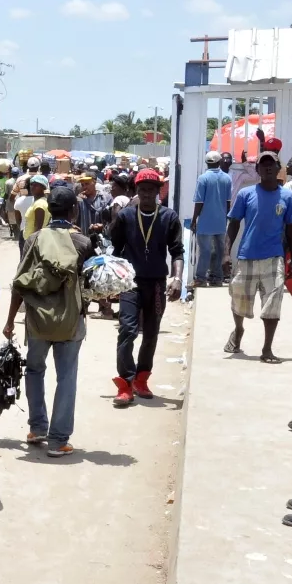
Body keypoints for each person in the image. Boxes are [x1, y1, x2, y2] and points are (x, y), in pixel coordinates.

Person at [2, 186, 92, 457]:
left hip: (37, 321)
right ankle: (58, 441)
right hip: (70, 322)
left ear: (49, 209)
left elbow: (20, 284)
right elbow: (90, 287)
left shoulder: (33, 240)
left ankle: (37, 427)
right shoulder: (83, 243)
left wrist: (9, 321)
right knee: (66, 378)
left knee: (34, 371)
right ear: (74, 210)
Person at [108, 169, 184, 407]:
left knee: (151, 332)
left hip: (157, 284)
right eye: (142, 190)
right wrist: (112, 280)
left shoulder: (169, 217)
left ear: (158, 191)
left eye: (151, 190)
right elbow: (116, 250)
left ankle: (142, 378)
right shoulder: (126, 216)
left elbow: (177, 252)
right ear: (137, 191)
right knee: (127, 330)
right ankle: (125, 383)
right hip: (130, 283)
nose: (147, 194)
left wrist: (177, 279)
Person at [223, 149, 292, 364]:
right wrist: (226, 254)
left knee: (272, 303)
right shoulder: (246, 195)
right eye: (263, 164)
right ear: (257, 170)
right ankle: (238, 330)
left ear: (278, 169)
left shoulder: (288, 197)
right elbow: (234, 223)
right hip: (247, 256)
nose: (267, 167)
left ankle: (267, 349)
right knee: (239, 301)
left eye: (271, 164)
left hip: (274, 258)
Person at [191, 149, 234, 287]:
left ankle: (201, 278)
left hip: (205, 222)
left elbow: (199, 202)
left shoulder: (203, 178)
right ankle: (217, 278)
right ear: (219, 162)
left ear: (207, 163)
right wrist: (227, 218)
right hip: (220, 221)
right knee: (220, 251)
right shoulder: (227, 178)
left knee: (205, 251)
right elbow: (228, 202)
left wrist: (194, 219)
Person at [22, 174, 50, 251]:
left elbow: (38, 228)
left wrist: (33, 247)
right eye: (31, 184)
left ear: (43, 187)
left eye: (36, 185)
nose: (32, 187)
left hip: (33, 243)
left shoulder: (39, 204)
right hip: (30, 241)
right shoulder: (39, 201)